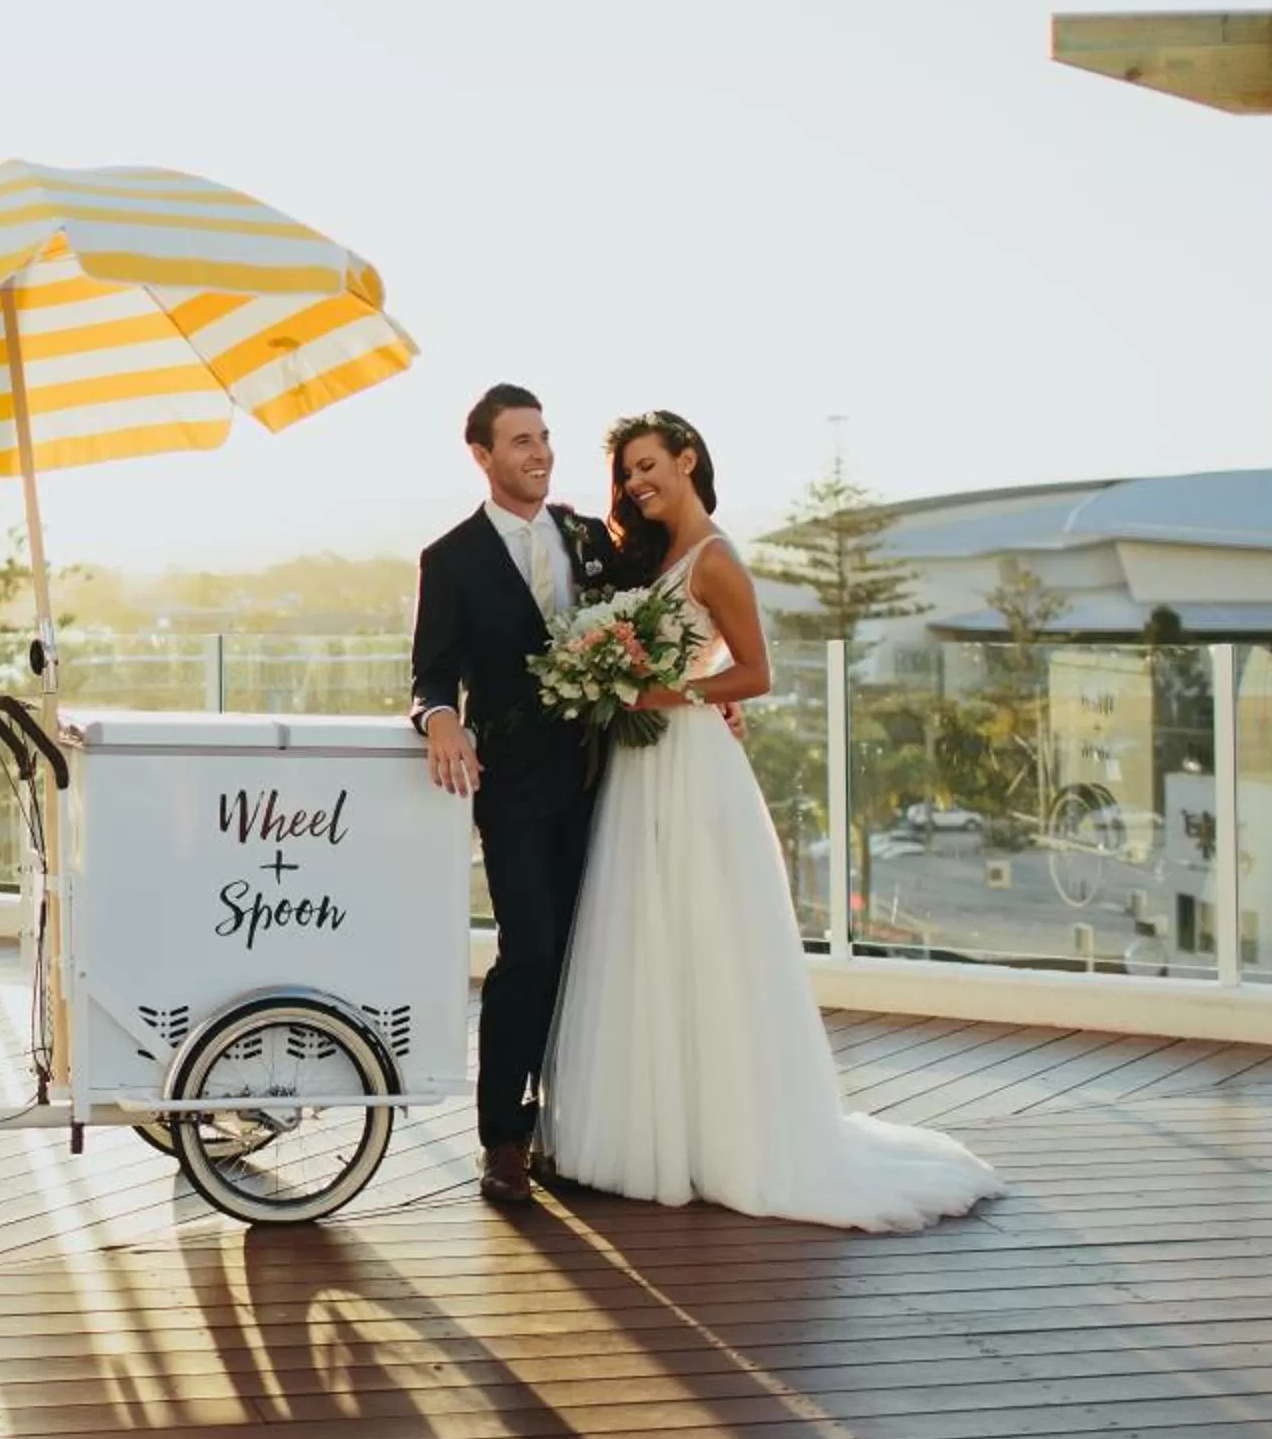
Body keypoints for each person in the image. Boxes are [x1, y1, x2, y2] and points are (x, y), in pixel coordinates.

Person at [538, 410, 1003, 1230]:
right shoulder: (654, 556)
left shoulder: (716, 560)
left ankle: (726, 1137)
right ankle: (653, 1133)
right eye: (627, 475)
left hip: (691, 764)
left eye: (649, 466)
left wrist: (670, 693)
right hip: (644, 768)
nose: (638, 484)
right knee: (647, 936)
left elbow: (756, 672)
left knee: (706, 935)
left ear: (687, 459)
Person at [409, 383, 619, 1207]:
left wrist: (714, 693)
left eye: (543, 438)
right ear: (483, 455)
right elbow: (430, 672)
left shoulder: (586, 534)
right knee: (528, 952)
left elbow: (652, 621)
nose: (539, 453)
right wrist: (437, 719)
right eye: (520, 441)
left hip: (608, 778)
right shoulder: (451, 558)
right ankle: (504, 1136)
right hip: (516, 791)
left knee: (592, 956)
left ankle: (584, 1128)